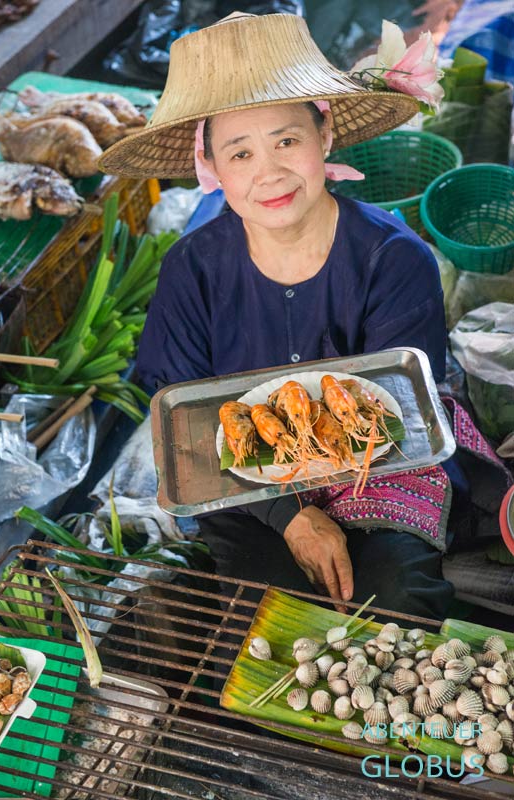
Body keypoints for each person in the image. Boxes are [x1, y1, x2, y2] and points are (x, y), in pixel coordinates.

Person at [100, 12, 454, 620]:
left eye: (287, 140)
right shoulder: (194, 269)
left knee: (394, 600)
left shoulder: (395, 259)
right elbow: (184, 415)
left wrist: (330, 493)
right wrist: (289, 514)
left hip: (381, 465)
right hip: (243, 479)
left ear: (324, 137)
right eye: (239, 153)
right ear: (213, 169)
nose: (268, 172)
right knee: (265, 618)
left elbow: (404, 417)